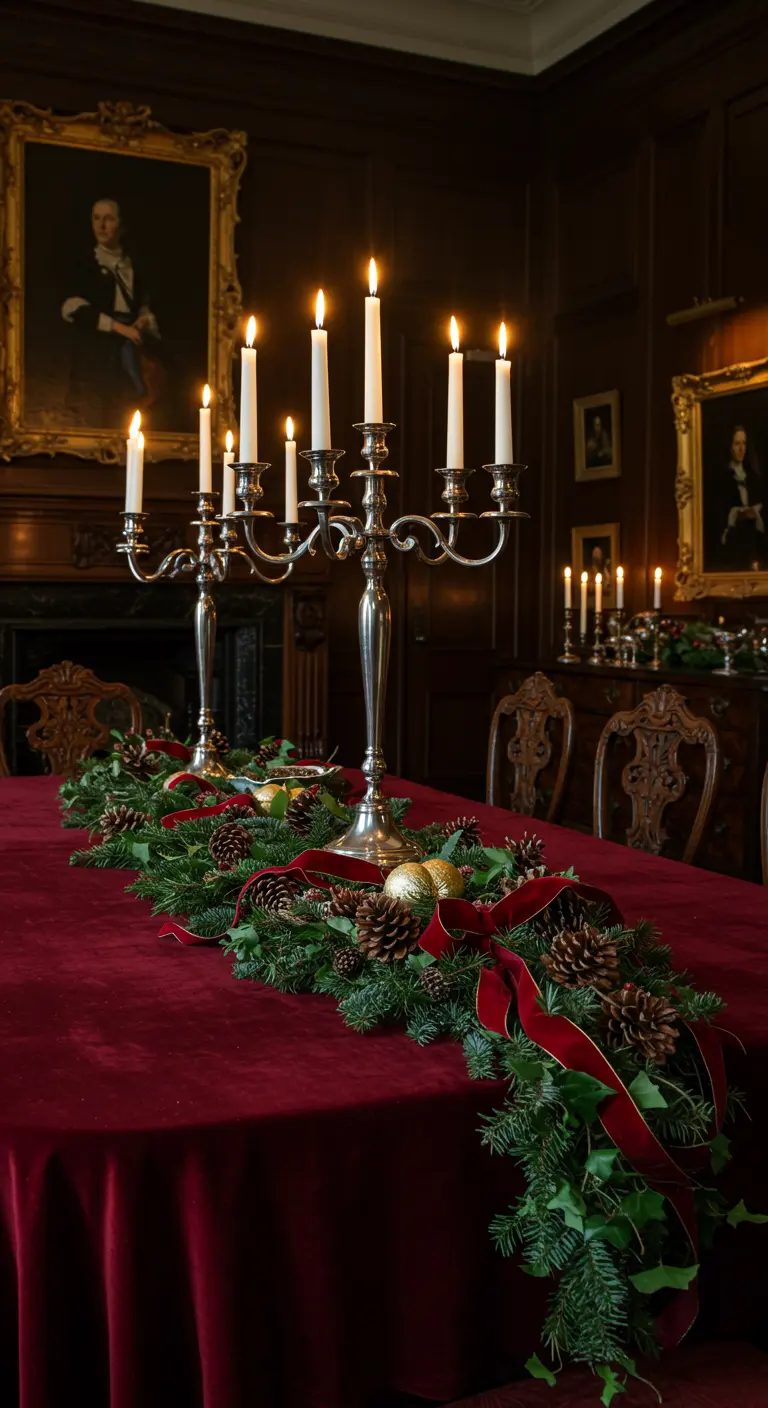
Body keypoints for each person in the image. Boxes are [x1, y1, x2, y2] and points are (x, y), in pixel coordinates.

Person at [61, 198, 164, 427]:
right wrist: (120, 328)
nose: (101, 226)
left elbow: (145, 302)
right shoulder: (85, 263)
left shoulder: (133, 265)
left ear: (121, 225)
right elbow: (73, 308)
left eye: (108, 219)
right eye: (96, 219)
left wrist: (143, 320)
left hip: (132, 346)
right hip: (97, 348)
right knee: (97, 405)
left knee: (138, 402)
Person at [711, 425, 765, 571]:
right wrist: (737, 515)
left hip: (754, 544)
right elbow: (718, 514)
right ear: (730, 446)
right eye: (737, 444)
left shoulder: (753, 476)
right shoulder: (722, 478)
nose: (741, 449)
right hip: (733, 547)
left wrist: (755, 513)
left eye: (744, 443)